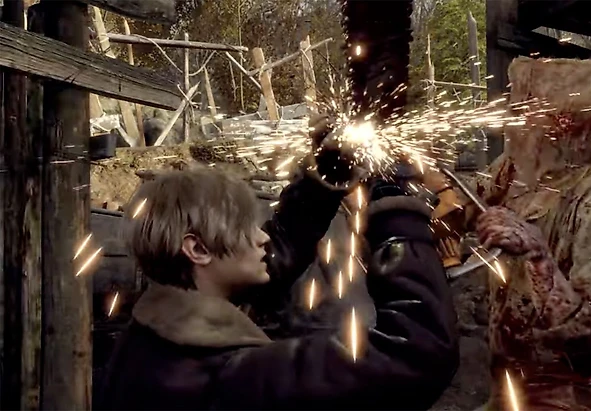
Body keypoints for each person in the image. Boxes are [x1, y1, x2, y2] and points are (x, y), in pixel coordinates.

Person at [96, 117, 460, 410]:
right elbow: (417, 352)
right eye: (245, 227)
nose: (261, 237)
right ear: (197, 249)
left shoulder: (149, 335)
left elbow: (276, 255)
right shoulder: (234, 377)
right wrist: (394, 204)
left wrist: (326, 178)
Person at [440, 58, 591, 410]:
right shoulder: (514, 172)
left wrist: (538, 257)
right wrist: (427, 181)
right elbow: (458, 210)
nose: (512, 119)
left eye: (524, 110)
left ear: (563, 122)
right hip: (509, 385)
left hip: (577, 395)